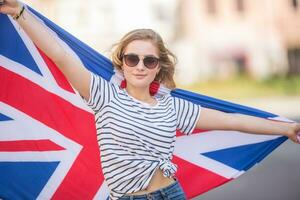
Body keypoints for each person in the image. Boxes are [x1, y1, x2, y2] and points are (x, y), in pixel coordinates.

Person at [1, 1, 299, 199]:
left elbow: (234, 121)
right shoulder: (103, 96)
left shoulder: (173, 107)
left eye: (149, 60)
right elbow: (60, 54)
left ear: (159, 66)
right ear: (123, 63)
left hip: (168, 193)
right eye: (133, 58)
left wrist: (286, 129)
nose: (140, 65)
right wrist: (20, 12)